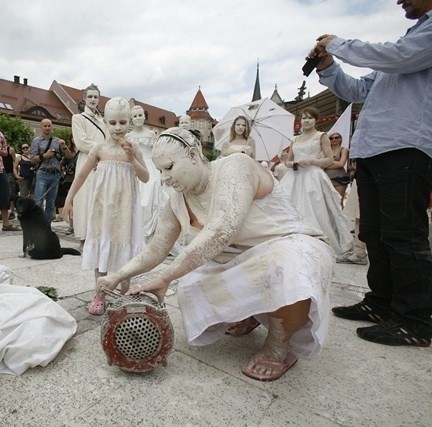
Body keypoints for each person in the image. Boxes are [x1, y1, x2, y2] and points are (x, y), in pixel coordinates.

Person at [96, 127, 334, 381]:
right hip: (238, 261)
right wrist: (118, 275)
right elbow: (156, 248)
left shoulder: (235, 166)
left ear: (193, 154)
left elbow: (223, 229)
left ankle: (279, 344)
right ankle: (250, 313)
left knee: (287, 267)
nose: (164, 178)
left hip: (290, 245)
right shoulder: (177, 200)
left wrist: (165, 278)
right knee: (192, 283)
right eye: (160, 171)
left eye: (169, 167)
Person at [309, 0, 432, 346]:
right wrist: (329, 65)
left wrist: (338, 43)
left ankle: (416, 320)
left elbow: (397, 56)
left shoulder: (418, 41)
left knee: (404, 235)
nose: (398, 1)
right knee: (375, 234)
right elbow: (358, 91)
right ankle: (381, 303)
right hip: (374, 149)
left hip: (406, 146)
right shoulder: (406, 44)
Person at [62, 97, 149, 315]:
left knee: (126, 247)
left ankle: (124, 294)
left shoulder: (133, 147)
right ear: (106, 123)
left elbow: (145, 177)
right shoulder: (99, 148)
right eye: (113, 123)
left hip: (126, 208)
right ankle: (99, 295)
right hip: (103, 207)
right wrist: (68, 199)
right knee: (102, 247)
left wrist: (132, 159)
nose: (118, 128)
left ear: (129, 121)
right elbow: (81, 174)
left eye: (122, 122)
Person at [280, 107, 353, 257]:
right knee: (290, 207)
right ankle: (292, 241)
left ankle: (315, 242)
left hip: (313, 176)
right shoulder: (294, 139)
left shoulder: (322, 136)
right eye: (304, 118)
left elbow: (330, 159)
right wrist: (294, 163)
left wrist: (313, 160)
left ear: (315, 120)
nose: (306, 120)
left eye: (310, 118)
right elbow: (287, 161)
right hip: (294, 176)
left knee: (315, 208)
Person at [71, 84, 106, 241]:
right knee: (85, 197)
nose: (93, 99)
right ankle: (84, 236)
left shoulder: (103, 120)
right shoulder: (78, 118)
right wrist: (102, 150)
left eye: (95, 97)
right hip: (87, 160)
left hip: (104, 162)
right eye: (90, 96)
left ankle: (100, 235)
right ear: (84, 98)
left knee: (102, 197)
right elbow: (81, 142)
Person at [125, 105, 165, 240]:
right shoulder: (128, 136)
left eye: (140, 115)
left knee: (150, 198)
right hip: (135, 167)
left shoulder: (152, 134)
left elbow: (157, 154)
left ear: (144, 116)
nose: (138, 118)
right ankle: (136, 234)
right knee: (135, 199)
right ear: (131, 119)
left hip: (150, 168)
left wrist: (162, 172)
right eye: (135, 116)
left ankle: (151, 236)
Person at [30, 119, 74, 223]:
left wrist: (64, 147)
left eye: (49, 126)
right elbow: (32, 160)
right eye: (45, 126)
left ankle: (47, 225)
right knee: (38, 201)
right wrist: (45, 156)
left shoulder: (57, 141)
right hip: (42, 173)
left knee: (51, 203)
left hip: (55, 174)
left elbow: (69, 157)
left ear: (52, 127)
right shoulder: (36, 141)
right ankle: (36, 224)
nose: (47, 128)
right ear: (41, 127)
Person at [55, 134, 78, 229]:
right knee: (71, 202)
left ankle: (79, 224)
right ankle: (72, 225)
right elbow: (68, 157)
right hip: (70, 179)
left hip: (83, 178)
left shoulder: (85, 150)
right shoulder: (70, 150)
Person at [324, 132, 350, 206]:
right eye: (331, 138)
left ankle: (340, 217)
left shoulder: (344, 150)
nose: (334, 139)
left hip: (340, 179)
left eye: (336, 137)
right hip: (326, 178)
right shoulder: (325, 151)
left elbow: (341, 164)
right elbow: (321, 164)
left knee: (338, 201)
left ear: (340, 139)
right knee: (327, 202)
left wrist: (327, 163)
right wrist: (335, 163)